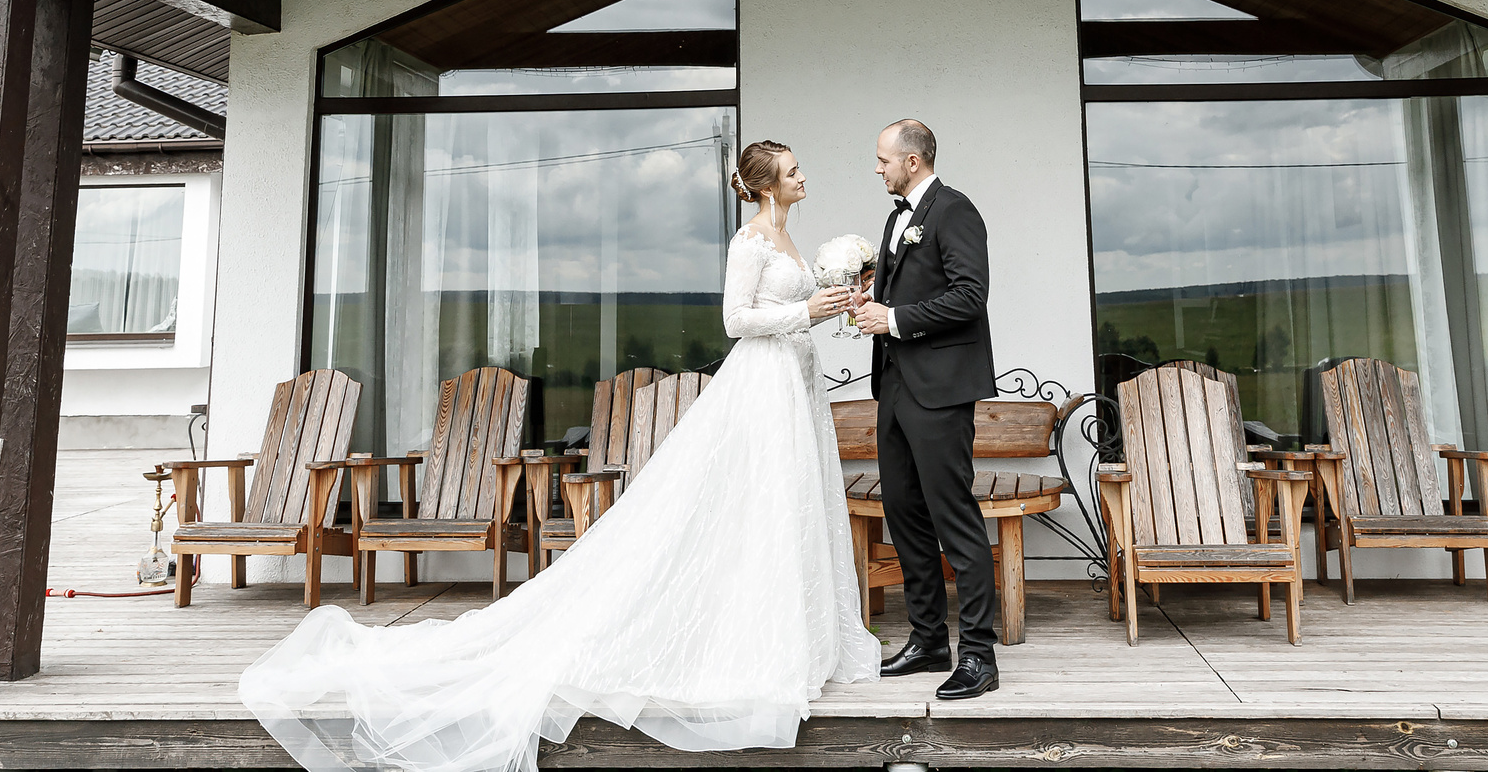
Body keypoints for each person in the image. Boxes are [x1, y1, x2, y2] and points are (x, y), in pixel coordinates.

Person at [241, 139, 878, 772]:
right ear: (766, 185)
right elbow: (736, 319)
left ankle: (794, 638)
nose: (803, 177)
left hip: (794, 383)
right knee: (756, 502)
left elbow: (789, 316)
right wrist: (804, 309)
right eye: (794, 171)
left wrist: (829, 308)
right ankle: (749, 641)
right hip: (760, 388)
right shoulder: (750, 243)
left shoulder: (789, 238)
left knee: (788, 504)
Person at [849, 118, 1000, 701]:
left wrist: (896, 319)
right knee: (905, 513)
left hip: (940, 389)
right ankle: (929, 639)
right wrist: (873, 300)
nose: (878, 168)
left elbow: (969, 296)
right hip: (895, 387)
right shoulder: (895, 218)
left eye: (884, 159)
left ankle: (980, 656)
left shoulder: (955, 210)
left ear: (912, 161)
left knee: (953, 515)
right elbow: (905, 293)